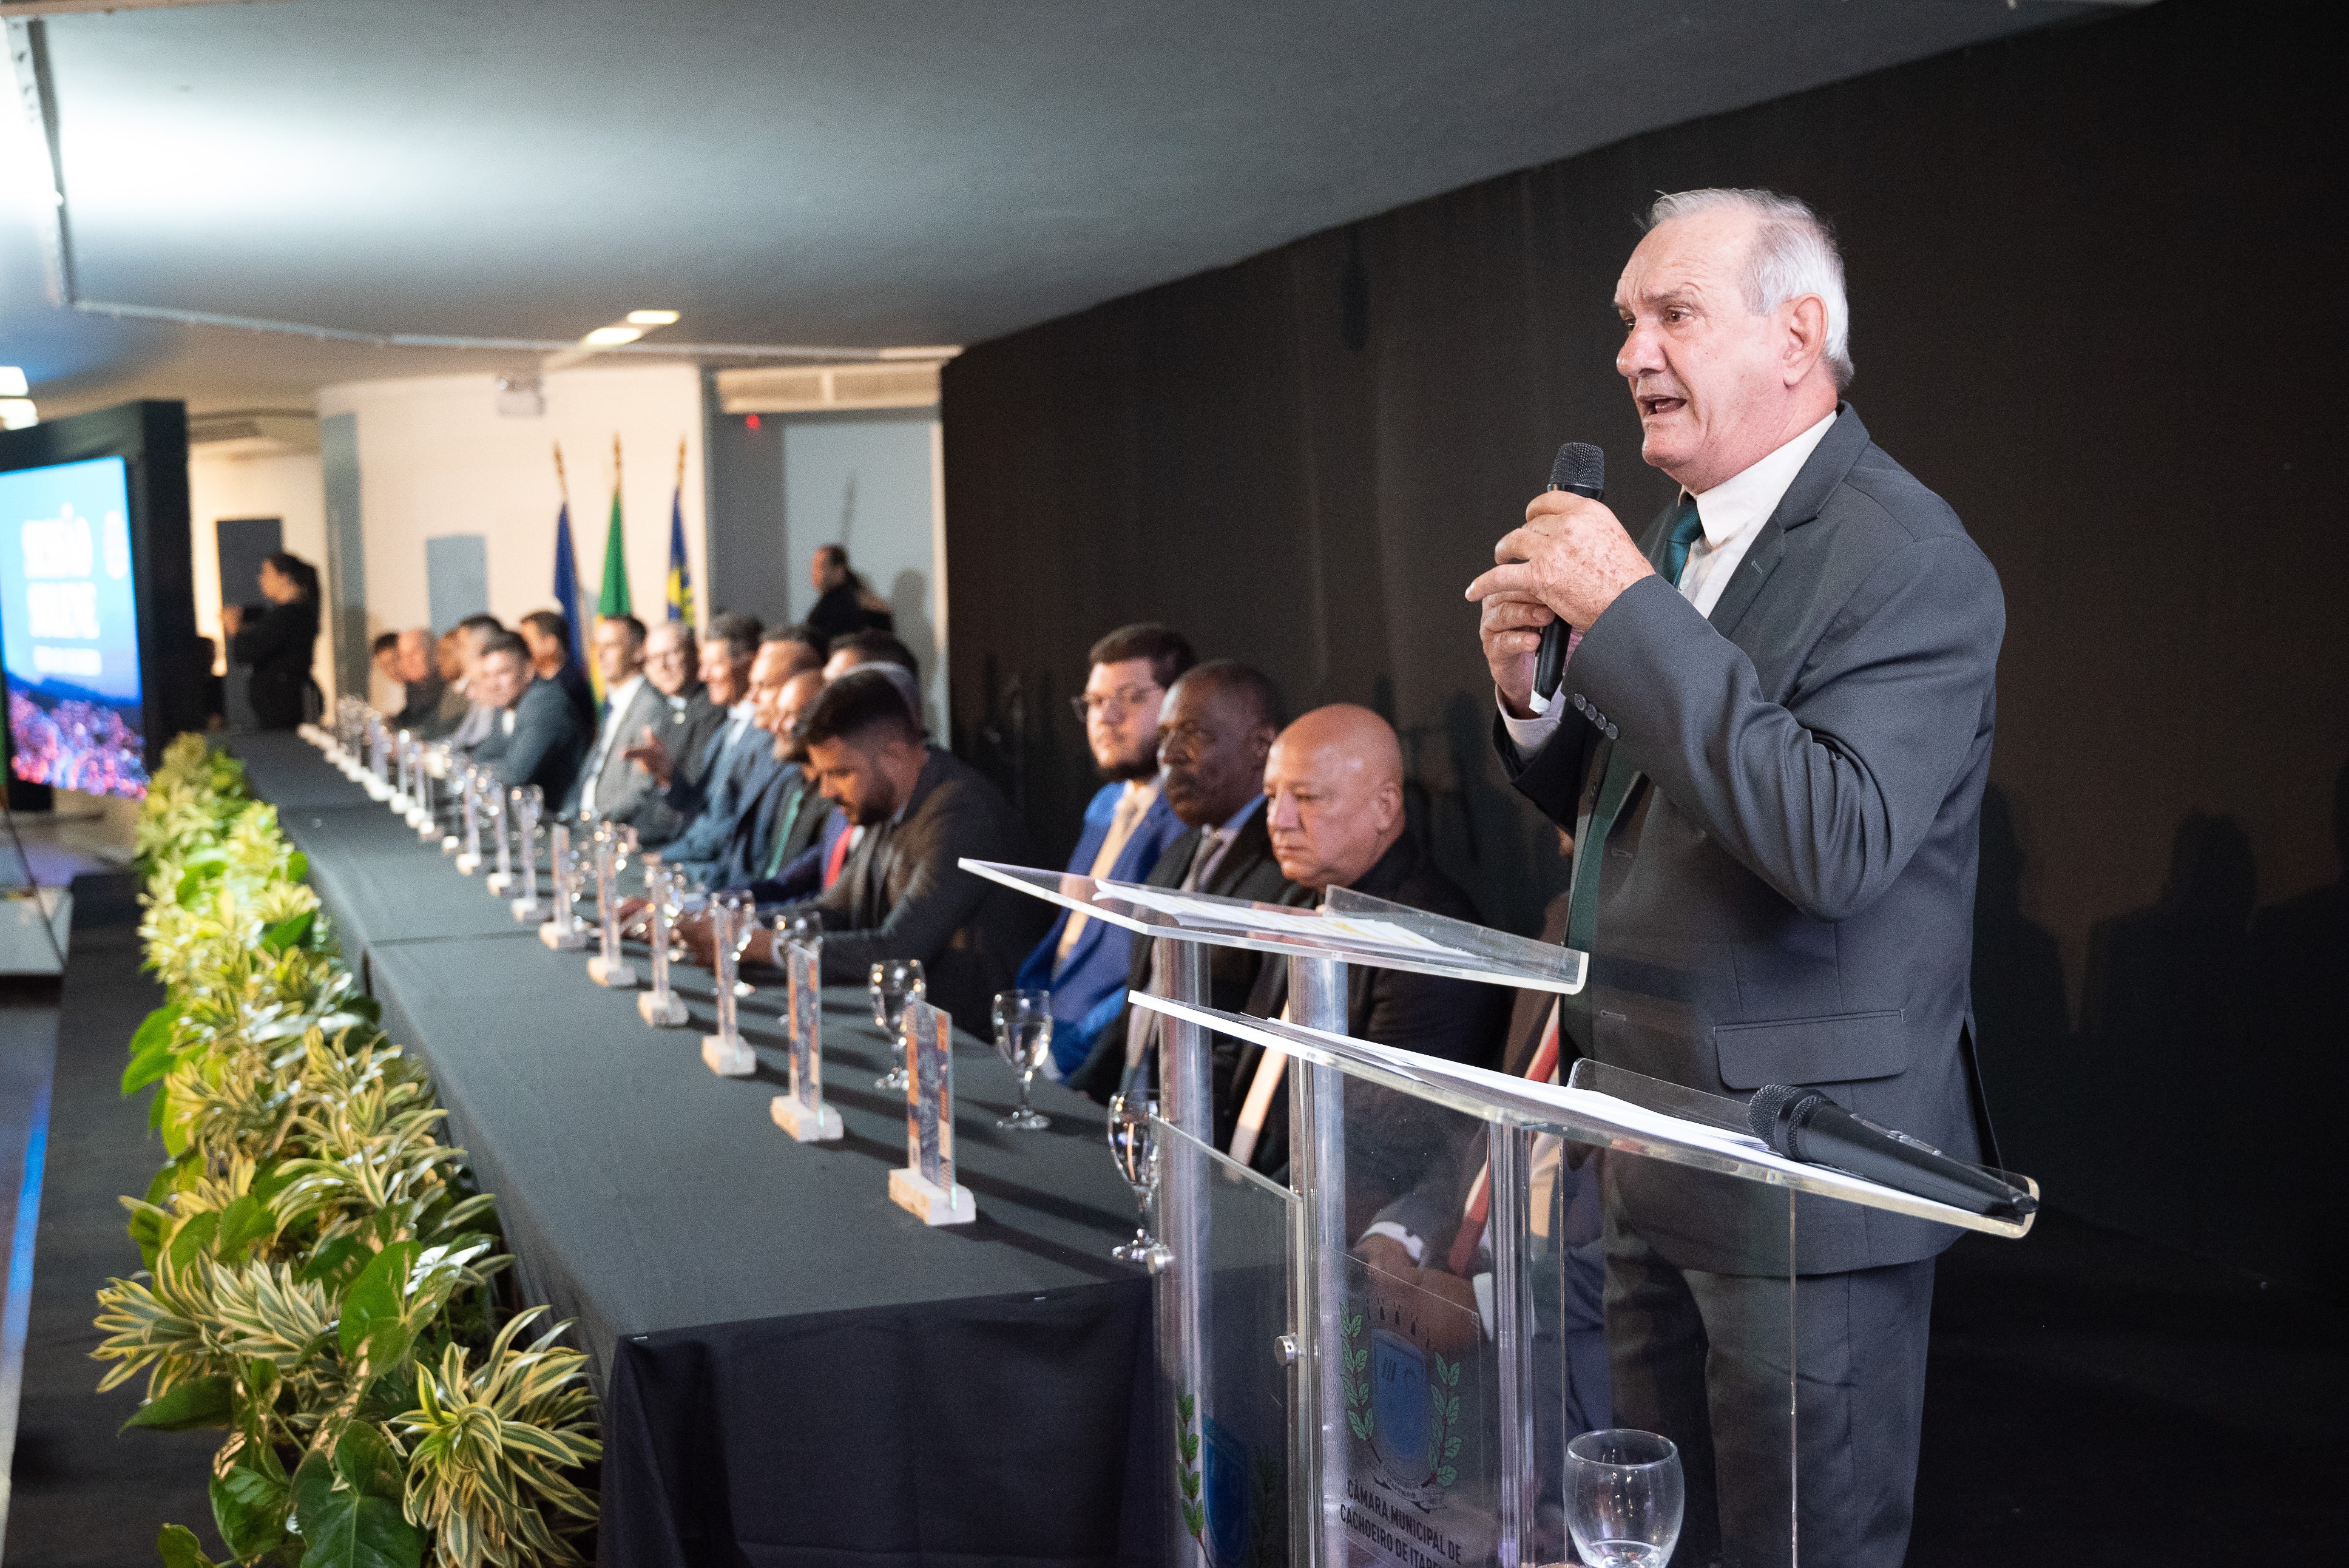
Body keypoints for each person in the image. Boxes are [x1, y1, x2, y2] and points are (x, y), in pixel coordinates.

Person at [1464, 188, 2004, 1567]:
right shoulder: (1683, 535)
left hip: (1804, 1177)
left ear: (1796, 336)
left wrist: (1628, 614)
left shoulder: (1909, 559)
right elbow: (1651, 807)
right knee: (1663, 1541)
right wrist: (1535, 704)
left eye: (1674, 314)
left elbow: (1834, 838)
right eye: (1625, 320)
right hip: (1651, 1138)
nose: (1632, 351)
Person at [1222, 705, 1511, 1184]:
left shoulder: (1428, 941)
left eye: (1307, 797)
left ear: (1384, 806)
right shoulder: (1298, 897)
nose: (1279, 819)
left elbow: (1388, 1143)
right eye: (1271, 796)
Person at [682, 667, 1043, 1029]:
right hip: (899, 1019)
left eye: (840, 773)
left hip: (965, 1040)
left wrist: (765, 945)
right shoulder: (886, 800)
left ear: (894, 756)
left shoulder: (962, 813)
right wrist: (731, 925)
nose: (826, 791)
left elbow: (898, 949)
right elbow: (834, 908)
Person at [1068, 660, 1294, 1104]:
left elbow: (1248, 1051)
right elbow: (1138, 1007)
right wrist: (1080, 1098)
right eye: (1165, 734)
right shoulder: (1182, 850)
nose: (1168, 754)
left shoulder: (1288, 870)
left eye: (1192, 735)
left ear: (1261, 746)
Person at [1015, 624, 1196, 1079]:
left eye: (1131, 698)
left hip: (1097, 1060)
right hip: (1041, 1029)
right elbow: (1069, 937)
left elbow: (1156, 973)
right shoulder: (1105, 803)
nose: (1106, 717)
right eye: (1095, 702)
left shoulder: (1187, 818)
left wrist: (1065, 1056)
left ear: (1180, 706)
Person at [651, 630, 815, 887]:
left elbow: (735, 836)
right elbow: (707, 813)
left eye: (763, 686)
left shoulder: (778, 752)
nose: (752, 696)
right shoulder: (725, 730)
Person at [469, 630, 590, 803]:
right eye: (487, 676)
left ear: (528, 671)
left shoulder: (545, 702)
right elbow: (484, 755)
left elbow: (514, 774)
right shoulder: (506, 703)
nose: (493, 684)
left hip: (561, 814)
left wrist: (474, 772)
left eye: (502, 673)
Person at [566, 614, 660, 822]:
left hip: (612, 827)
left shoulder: (651, 706)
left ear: (638, 651)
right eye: (597, 646)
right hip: (583, 822)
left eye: (610, 646)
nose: (600, 655)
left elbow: (641, 788)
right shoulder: (612, 704)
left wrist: (598, 824)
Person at [221, 552, 320, 730]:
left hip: (284, 705)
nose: (260, 579)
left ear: (284, 578)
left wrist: (236, 629)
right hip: (284, 702)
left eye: (266, 573)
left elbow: (247, 653)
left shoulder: (288, 616)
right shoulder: (295, 613)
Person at [442, 614, 509, 755]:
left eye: (462, 646)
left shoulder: (501, 691)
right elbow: (461, 740)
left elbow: (486, 748)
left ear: (482, 648)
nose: (458, 654)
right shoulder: (477, 690)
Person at [519, 609, 596, 729]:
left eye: (527, 643)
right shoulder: (533, 682)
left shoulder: (570, 686)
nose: (522, 650)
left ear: (551, 644)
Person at [804, 544, 895, 645]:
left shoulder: (844, 604)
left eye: (820, 567)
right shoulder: (857, 597)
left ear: (839, 569)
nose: (814, 573)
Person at [389, 629, 450, 734]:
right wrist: (392, 721)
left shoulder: (449, 682)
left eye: (414, 653)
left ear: (434, 651)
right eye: (403, 656)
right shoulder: (414, 685)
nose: (408, 661)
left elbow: (434, 725)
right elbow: (411, 715)